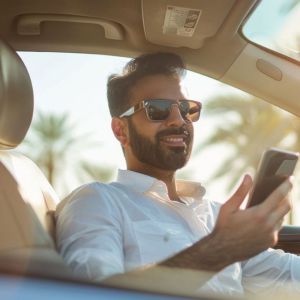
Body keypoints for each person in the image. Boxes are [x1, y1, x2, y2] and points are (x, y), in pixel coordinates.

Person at [55, 52, 300, 296]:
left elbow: (290, 275)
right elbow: (93, 294)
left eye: (186, 109)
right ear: (121, 130)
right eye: (157, 109)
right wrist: (221, 248)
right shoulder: (96, 201)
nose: (178, 120)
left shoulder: (215, 215)